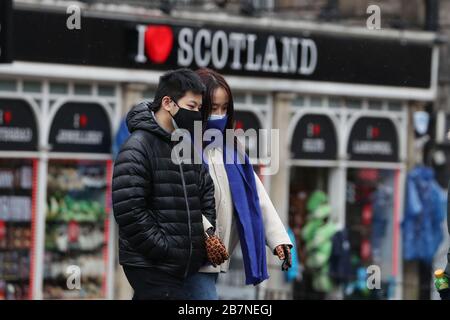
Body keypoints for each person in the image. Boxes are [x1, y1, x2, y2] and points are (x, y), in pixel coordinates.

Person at [181, 68, 293, 300]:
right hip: (190, 255)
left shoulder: (231, 149)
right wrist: (207, 233)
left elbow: (255, 195)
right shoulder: (182, 146)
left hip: (215, 257)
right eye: (213, 109)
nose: (219, 115)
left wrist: (278, 239)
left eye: (224, 109)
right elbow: (180, 195)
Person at [112, 68, 222, 300]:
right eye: (191, 107)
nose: (196, 114)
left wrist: (203, 239)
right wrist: (166, 249)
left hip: (181, 266)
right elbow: (129, 211)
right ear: (167, 103)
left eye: (199, 109)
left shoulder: (186, 146)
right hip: (151, 266)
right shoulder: (138, 147)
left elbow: (206, 194)